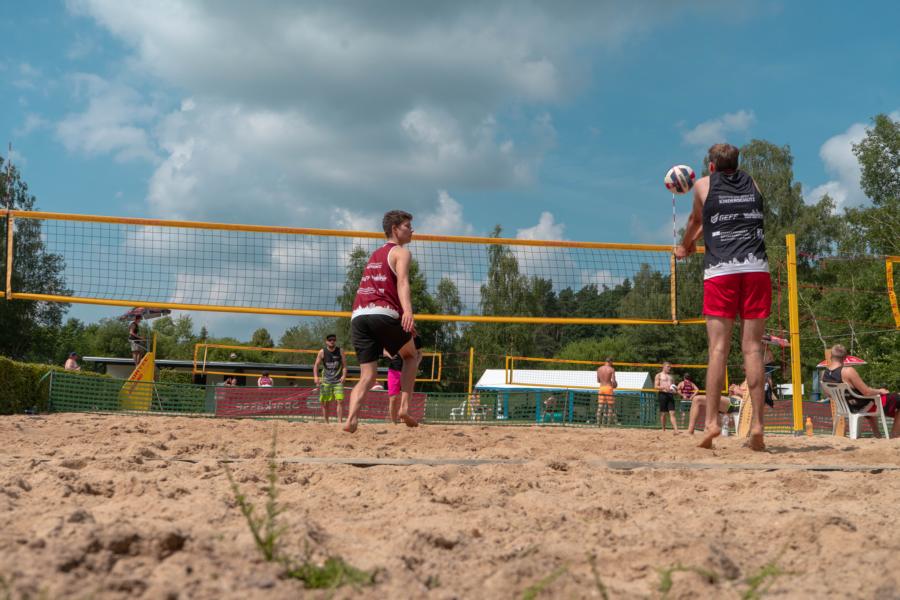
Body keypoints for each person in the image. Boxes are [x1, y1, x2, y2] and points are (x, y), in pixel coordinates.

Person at [676, 143, 771, 451]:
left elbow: (697, 221)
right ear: (737, 163)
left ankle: (711, 424)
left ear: (711, 166)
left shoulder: (703, 185)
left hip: (722, 271)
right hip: (756, 269)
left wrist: (685, 246)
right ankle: (757, 426)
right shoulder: (753, 183)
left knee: (718, 349)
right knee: (752, 349)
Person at [344, 210, 419, 433]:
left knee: (367, 376)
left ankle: (351, 419)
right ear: (395, 229)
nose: (412, 230)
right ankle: (404, 408)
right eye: (407, 226)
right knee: (411, 355)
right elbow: (402, 283)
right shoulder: (401, 252)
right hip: (383, 313)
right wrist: (408, 312)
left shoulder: (375, 254)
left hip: (358, 316)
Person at [822, 344, 900, 438]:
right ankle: (894, 434)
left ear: (831, 356)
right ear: (845, 358)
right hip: (862, 406)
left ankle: (877, 434)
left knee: (869, 400)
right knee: (896, 398)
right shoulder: (848, 371)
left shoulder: (824, 374)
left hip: (847, 406)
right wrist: (880, 390)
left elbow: (828, 395)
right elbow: (867, 392)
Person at [385, 335, 422, 424]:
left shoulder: (416, 337)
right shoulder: (392, 334)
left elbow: (420, 354)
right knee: (393, 398)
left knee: (406, 397)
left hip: (408, 370)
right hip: (394, 370)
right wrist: (389, 355)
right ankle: (393, 422)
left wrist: (416, 364)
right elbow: (383, 350)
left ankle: (404, 421)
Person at [314, 334, 347, 424]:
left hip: (338, 380)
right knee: (325, 402)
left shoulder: (340, 351)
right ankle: (326, 422)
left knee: (340, 401)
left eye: (334, 340)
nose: (332, 341)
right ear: (326, 341)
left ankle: (339, 422)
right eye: (330, 340)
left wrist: (344, 376)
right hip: (326, 381)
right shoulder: (322, 352)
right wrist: (316, 377)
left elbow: (344, 365)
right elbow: (316, 365)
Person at [654, 362, 679, 433]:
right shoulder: (658, 375)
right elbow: (655, 386)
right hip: (662, 394)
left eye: (670, 367)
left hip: (670, 395)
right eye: (668, 366)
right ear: (663, 367)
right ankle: (663, 429)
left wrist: (675, 391)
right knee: (663, 414)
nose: (669, 368)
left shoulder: (671, 377)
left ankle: (676, 430)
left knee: (672, 413)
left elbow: (674, 387)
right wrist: (664, 387)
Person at [596, 357, 618, 426]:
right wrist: (615, 384)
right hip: (608, 388)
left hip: (601, 387)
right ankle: (608, 424)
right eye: (612, 362)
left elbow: (598, 380)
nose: (612, 363)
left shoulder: (599, 369)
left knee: (600, 407)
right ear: (610, 361)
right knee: (610, 407)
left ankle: (598, 424)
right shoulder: (611, 369)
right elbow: (613, 381)